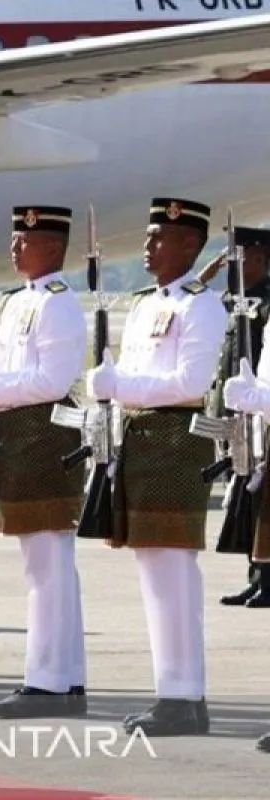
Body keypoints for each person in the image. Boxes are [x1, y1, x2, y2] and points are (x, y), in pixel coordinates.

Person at [87, 197, 224, 736]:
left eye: (158, 237)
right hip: (142, 440)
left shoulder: (200, 306)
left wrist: (120, 386)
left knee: (172, 570)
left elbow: (191, 383)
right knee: (154, 569)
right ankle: (174, 692)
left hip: (176, 440)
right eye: (147, 236)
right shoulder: (147, 305)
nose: (147, 246)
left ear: (189, 244)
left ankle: (183, 696)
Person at [0, 206, 88, 718]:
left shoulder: (59, 304)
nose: (15, 248)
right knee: (46, 563)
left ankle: (49, 681)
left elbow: (51, 382)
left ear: (53, 248)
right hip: (19, 435)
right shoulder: (16, 302)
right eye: (14, 239)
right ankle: (65, 677)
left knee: (47, 563)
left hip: (45, 435)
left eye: (26, 241)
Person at [205, 227, 270, 607]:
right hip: (233, 413)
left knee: (261, 499)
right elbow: (190, 303)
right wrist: (207, 274)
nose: (234, 267)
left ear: (260, 258)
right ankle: (257, 576)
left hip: (259, 410)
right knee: (242, 498)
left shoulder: (266, 303)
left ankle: (266, 579)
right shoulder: (234, 299)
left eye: (239, 259)